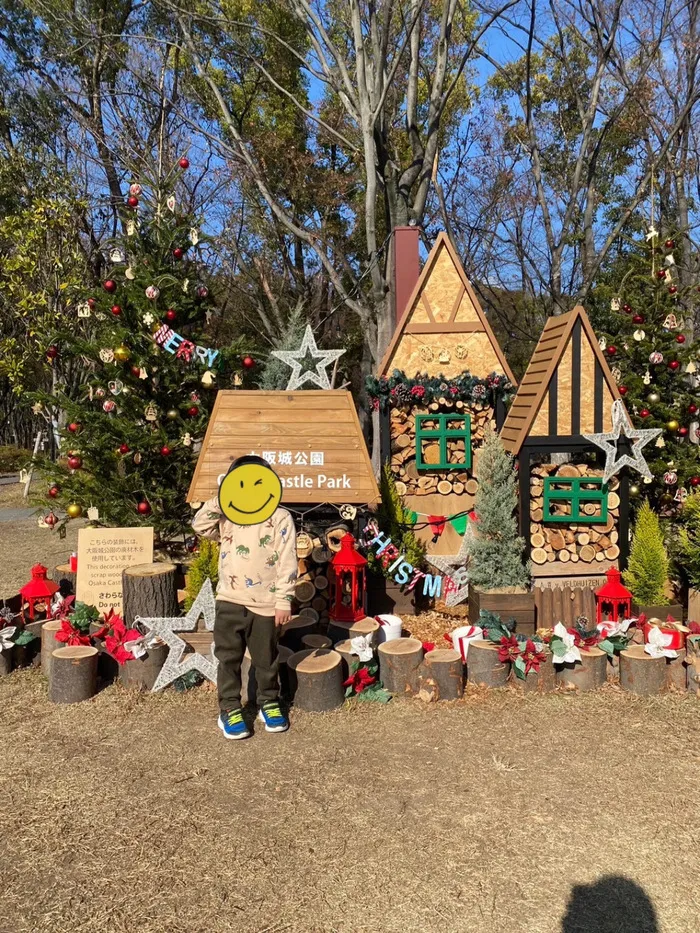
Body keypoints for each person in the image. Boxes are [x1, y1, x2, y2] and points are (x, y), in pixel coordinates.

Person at [192, 455, 297, 739]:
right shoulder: (227, 516)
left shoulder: (280, 517)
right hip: (229, 599)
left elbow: (288, 560)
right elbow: (200, 526)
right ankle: (229, 708)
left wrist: (283, 600)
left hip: (265, 603)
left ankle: (269, 702)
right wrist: (221, 499)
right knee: (228, 657)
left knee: (266, 658)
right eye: (241, 484)